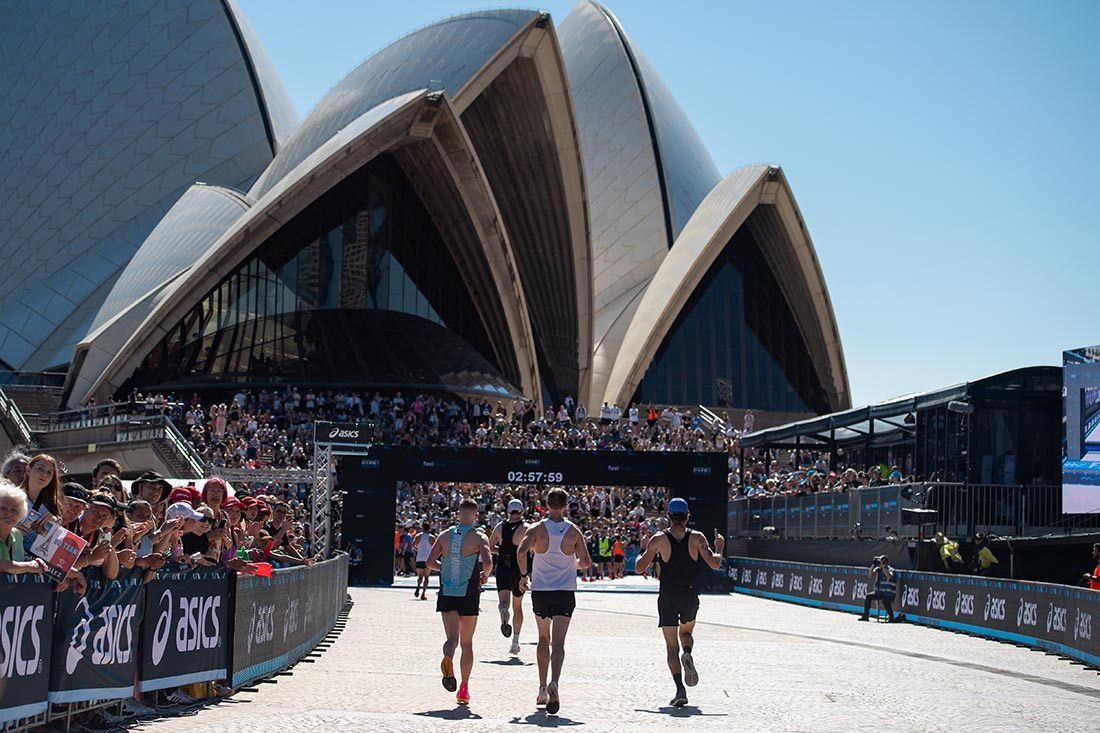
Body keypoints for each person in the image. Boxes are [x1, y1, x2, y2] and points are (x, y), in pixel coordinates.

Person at [634, 498, 724, 708]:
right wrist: (719, 547)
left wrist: (644, 548)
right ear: (687, 516)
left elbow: (639, 568)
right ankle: (688, 653)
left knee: (670, 647)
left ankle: (680, 689)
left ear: (668, 516)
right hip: (690, 596)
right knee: (686, 634)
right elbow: (715, 563)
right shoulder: (697, 538)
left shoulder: (658, 539)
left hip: (668, 596)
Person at [517, 488, 592, 715]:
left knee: (542, 638)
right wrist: (571, 564)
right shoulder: (573, 531)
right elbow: (586, 562)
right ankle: (555, 683)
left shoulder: (537, 529)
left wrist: (523, 576)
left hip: (541, 591)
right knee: (558, 643)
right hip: (564, 592)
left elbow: (521, 551)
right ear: (566, 505)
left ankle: (541, 688)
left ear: (546, 505)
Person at [426, 498, 491, 706]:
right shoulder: (479, 536)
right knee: (467, 642)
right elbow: (488, 562)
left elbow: (429, 562)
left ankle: (447, 658)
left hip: (448, 592)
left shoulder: (445, 536)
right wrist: (484, 576)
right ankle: (463, 688)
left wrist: (444, 567)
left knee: (451, 640)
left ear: (458, 514)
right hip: (469, 593)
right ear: (475, 516)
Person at [489, 498, 528, 654]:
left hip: (503, 566)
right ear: (522, 511)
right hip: (518, 567)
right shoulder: (525, 528)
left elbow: (490, 547)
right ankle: (515, 642)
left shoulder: (500, 527)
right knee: (517, 606)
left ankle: (503, 610)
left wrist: (502, 551)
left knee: (504, 602)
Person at [0, 480, 48, 575]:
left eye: (14, 510)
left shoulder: (17, 534)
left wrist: (37, 563)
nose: (9, 513)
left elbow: (23, 560)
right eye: (3, 508)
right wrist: (29, 566)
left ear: (21, 514)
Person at [858, 555, 902, 623]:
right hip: (880, 592)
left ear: (885, 562)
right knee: (868, 596)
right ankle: (865, 616)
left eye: (882, 562)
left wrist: (883, 568)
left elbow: (889, 577)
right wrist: (873, 565)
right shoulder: (878, 569)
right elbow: (869, 575)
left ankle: (891, 617)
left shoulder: (891, 570)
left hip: (889, 593)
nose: (880, 563)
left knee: (885, 600)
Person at [413, 520, 435, 600]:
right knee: (426, 577)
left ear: (422, 528)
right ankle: (423, 593)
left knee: (420, 577)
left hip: (420, 558)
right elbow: (434, 548)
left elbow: (413, 544)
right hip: (428, 558)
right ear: (429, 528)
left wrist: (418, 549)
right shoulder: (432, 537)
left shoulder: (418, 536)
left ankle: (418, 586)